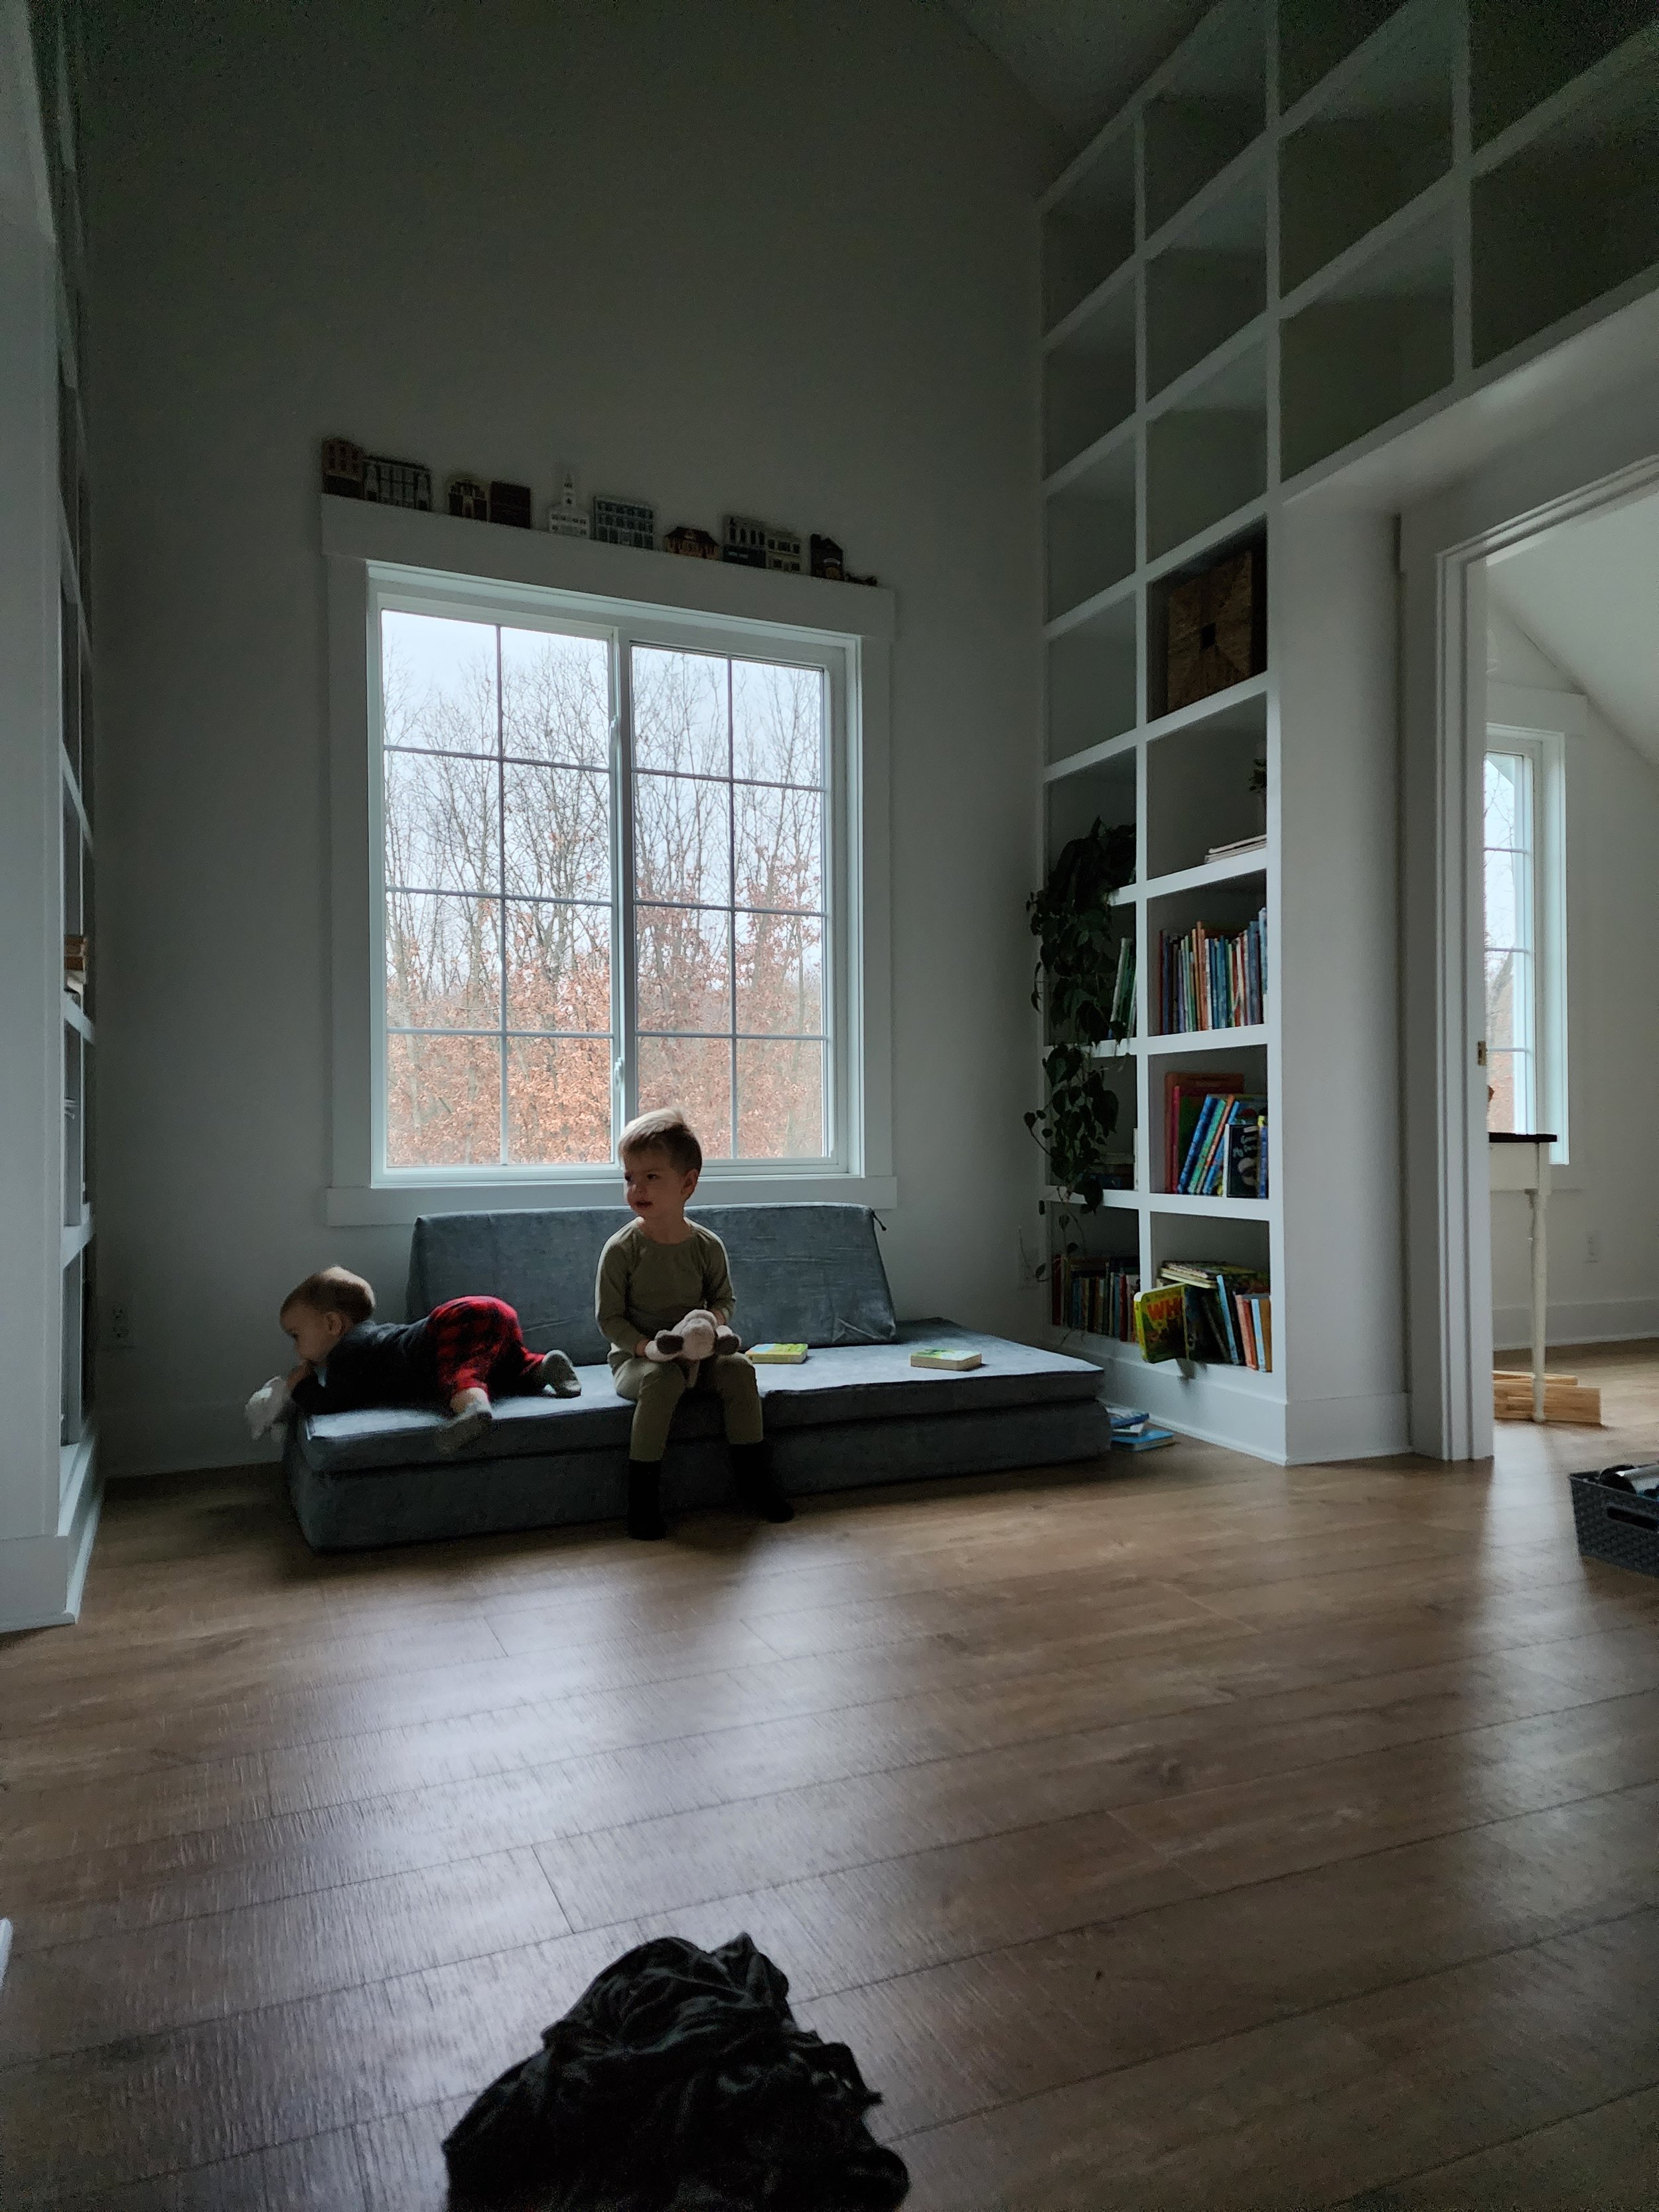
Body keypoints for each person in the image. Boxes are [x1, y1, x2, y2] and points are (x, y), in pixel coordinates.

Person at [597, 1108, 792, 1540]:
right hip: (638, 1361)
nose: (636, 1189)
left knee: (740, 1368)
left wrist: (708, 1324)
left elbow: (725, 1299)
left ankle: (753, 1484)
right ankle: (643, 1502)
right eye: (629, 1177)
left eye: (651, 1177)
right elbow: (609, 1319)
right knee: (662, 1380)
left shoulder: (707, 1246)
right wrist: (648, 1348)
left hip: (698, 1355)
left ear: (687, 1183)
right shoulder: (622, 1250)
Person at [246, 1266, 581, 1457]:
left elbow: (332, 1402)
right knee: (504, 1367)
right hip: (486, 1310)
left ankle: (473, 1410)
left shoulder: (346, 1352)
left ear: (333, 1325)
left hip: (451, 1322)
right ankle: (542, 1367)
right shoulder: (373, 1341)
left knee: (457, 1373)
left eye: (296, 1335)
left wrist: (299, 1384)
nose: (296, 1348)